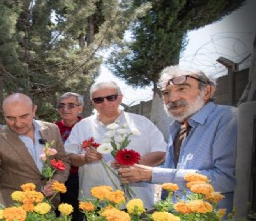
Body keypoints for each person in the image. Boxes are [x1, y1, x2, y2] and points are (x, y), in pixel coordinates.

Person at [119, 66, 236, 213]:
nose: (172, 98)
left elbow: (228, 178)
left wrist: (153, 174)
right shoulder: (177, 127)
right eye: (166, 93)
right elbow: (178, 173)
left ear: (207, 91)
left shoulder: (229, 120)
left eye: (182, 89)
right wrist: (141, 174)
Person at [64, 81, 166, 209]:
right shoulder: (82, 126)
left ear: (120, 97)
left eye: (111, 97)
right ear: (92, 102)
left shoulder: (142, 123)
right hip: (96, 203)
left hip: (137, 201)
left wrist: (137, 163)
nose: (105, 103)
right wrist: (84, 158)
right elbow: (68, 156)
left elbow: (161, 152)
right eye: (99, 99)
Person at [0, 93, 70, 207]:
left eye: (24, 116)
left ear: (34, 110)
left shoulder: (52, 130)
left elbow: (63, 161)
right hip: (14, 208)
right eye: (11, 118)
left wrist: (56, 182)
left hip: (48, 205)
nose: (18, 124)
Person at [55, 92, 84, 221]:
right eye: (61, 105)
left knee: (74, 218)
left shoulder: (87, 127)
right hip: (56, 177)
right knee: (52, 214)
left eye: (71, 105)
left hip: (77, 178)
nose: (65, 109)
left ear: (80, 108)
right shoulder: (52, 128)